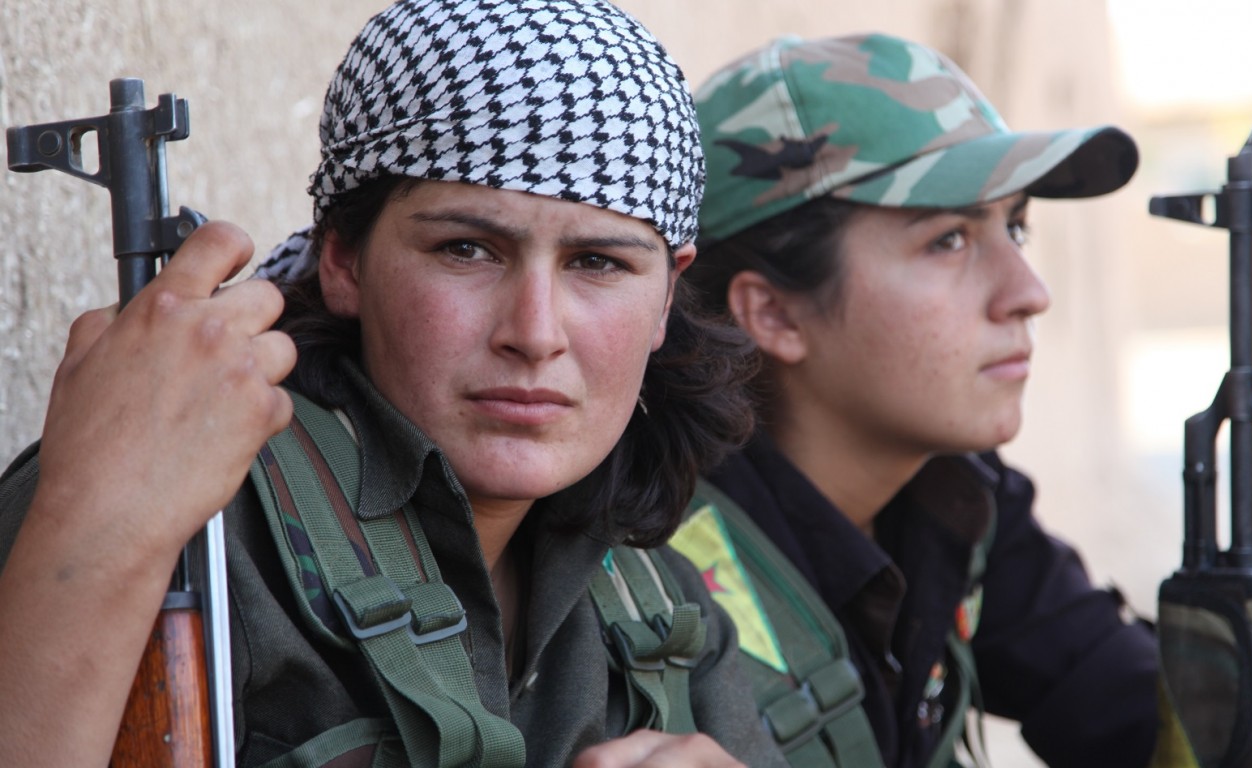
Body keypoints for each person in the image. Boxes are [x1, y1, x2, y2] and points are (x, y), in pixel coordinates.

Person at [0, 1, 786, 766]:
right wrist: (96, 522)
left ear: (665, 298)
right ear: (343, 260)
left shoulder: (661, 612)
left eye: (598, 263)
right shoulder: (185, 517)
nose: (535, 331)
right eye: (467, 249)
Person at [668, 33, 1159, 768]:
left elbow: (1127, 708)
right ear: (773, 313)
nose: (1029, 292)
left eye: (1015, 227)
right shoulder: (645, 581)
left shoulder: (954, 495)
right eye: (948, 240)